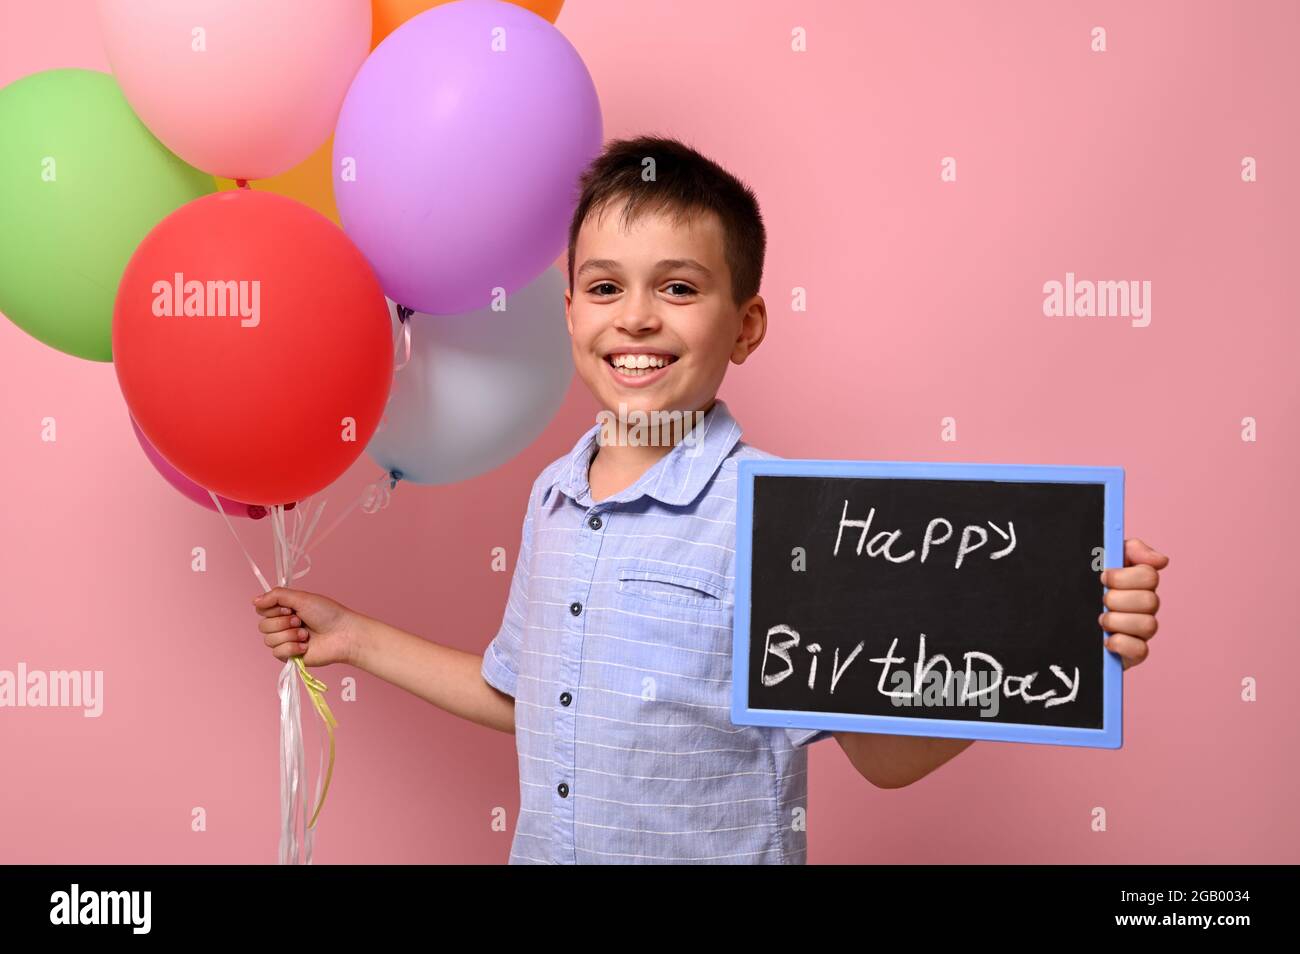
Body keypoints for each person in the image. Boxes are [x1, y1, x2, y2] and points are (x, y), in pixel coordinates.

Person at [252, 135, 1168, 864]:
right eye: (606, 287)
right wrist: (356, 637)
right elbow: (532, 695)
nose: (638, 318)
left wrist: (1062, 636)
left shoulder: (779, 520)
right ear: (569, 311)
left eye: (679, 289)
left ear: (746, 326)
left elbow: (884, 759)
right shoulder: (553, 499)